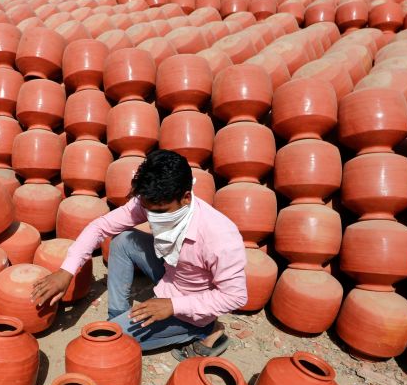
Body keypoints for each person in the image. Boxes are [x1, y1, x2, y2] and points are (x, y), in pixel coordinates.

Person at [31, 150, 248, 361]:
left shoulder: (220, 236)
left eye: (161, 212)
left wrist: (173, 306)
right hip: (171, 272)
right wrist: (66, 270)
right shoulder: (150, 200)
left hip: (191, 301)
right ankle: (117, 316)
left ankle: (205, 330)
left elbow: (235, 296)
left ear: (186, 198)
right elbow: (100, 227)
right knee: (123, 241)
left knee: (109, 343)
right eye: (147, 210)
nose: (152, 218)